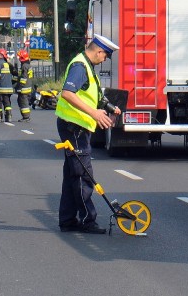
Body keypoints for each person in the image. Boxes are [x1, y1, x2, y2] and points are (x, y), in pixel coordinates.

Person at [55, 34, 122, 234]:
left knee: (72, 175)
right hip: (73, 127)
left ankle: (67, 220)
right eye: (106, 56)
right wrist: (93, 113)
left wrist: (110, 107)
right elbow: (67, 93)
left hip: (76, 126)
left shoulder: (86, 65)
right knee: (83, 174)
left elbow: (91, 95)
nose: (105, 60)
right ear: (99, 51)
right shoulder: (79, 66)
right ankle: (87, 221)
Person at [15, 49, 33, 122]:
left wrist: (19, 87)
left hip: (24, 89)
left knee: (23, 103)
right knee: (22, 102)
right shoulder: (28, 65)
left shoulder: (24, 66)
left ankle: (26, 117)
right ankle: (25, 117)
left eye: (19, 57)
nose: (19, 59)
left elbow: (23, 78)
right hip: (27, 87)